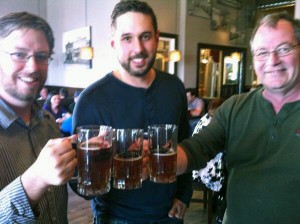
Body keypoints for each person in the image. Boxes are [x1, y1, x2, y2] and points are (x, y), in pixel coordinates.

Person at [72, 1, 192, 223]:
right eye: (127, 38)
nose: (138, 48)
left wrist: (184, 196)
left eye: (145, 36)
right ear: (113, 44)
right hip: (117, 217)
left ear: (157, 39)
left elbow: (184, 142)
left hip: (170, 215)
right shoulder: (92, 100)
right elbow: (80, 180)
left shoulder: (174, 87)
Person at [177, 11, 300, 223]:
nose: (272, 60)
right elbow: (198, 149)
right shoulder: (234, 107)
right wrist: (155, 159)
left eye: (284, 48)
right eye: (262, 52)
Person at [0, 12, 77, 223]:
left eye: (41, 56)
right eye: (18, 54)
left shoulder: (48, 123)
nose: (33, 67)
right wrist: (35, 179)